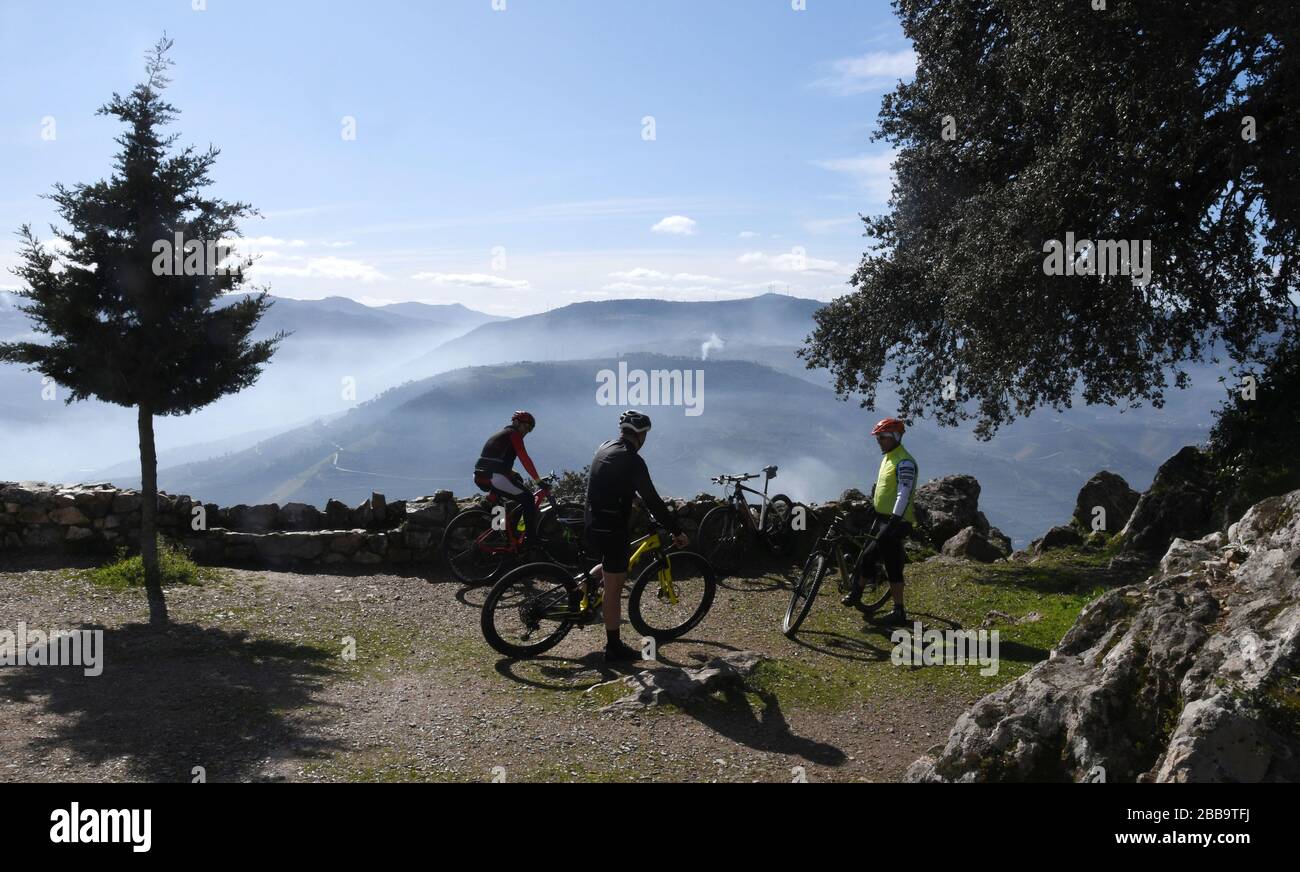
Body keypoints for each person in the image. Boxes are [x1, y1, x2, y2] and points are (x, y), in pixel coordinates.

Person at [584, 410, 688, 661]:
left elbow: (613, 481)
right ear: (641, 435)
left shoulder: (606, 446)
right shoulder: (633, 460)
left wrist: (634, 499)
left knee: (610, 565)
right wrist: (676, 530)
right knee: (614, 587)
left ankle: (582, 588)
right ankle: (613, 647)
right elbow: (654, 499)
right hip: (611, 527)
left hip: (592, 521)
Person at [841, 417, 917, 626]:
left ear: (895, 437)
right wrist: (874, 505)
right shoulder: (888, 457)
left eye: (882, 437)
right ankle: (858, 592)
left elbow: (903, 492)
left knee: (888, 561)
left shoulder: (905, 461)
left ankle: (898, 611)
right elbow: (884, 487)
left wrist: (894, 519)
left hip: (898, 521)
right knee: (868, 555)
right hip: (884, 517)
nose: (879, 441)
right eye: (878, 438)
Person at [473, 410, 547, 549]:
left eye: (529, 430)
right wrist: (538, 480)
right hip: (493, 476)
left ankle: (500, 535)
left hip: (481, 475)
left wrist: (513, 474)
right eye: (526, 427)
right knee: (528, 499)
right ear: (516, 423)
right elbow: (524, 458)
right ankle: (530, 539)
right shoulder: (514, 435)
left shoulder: (502, 434)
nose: (526, 432)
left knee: (503, 497)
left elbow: (496, 460)